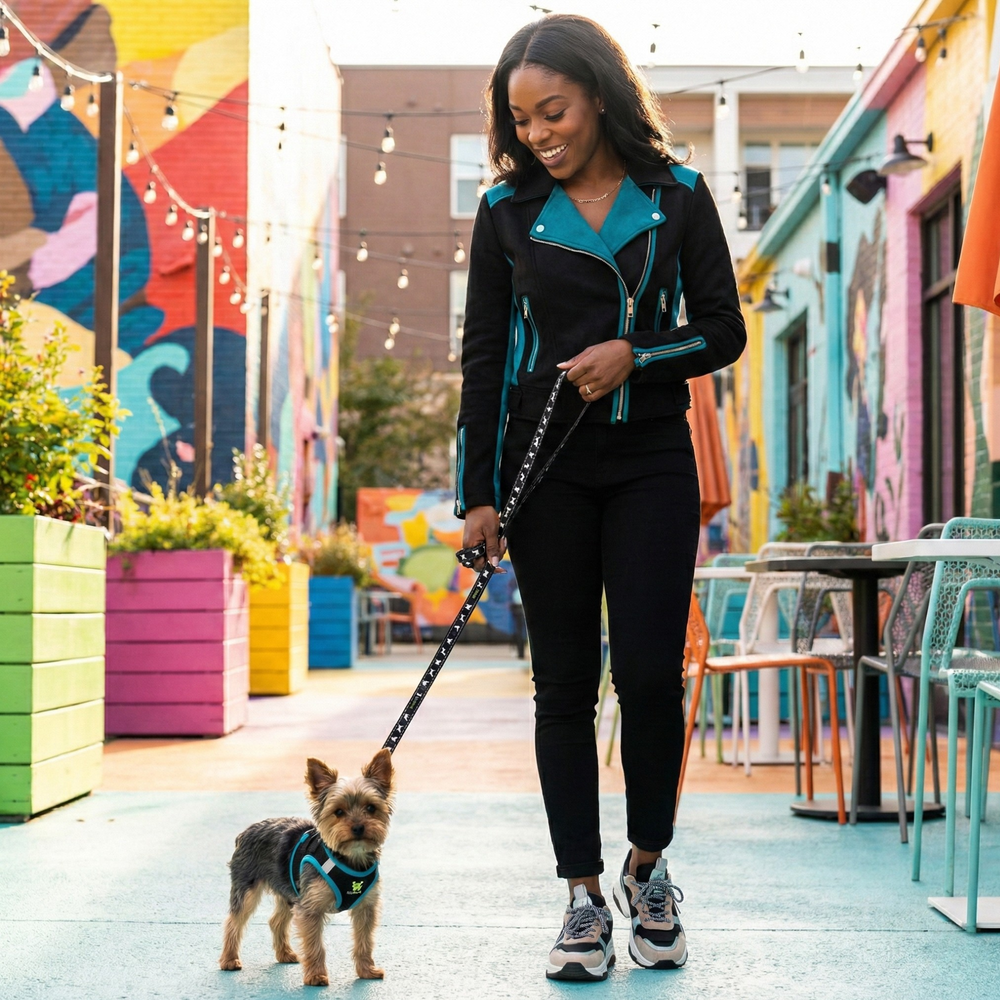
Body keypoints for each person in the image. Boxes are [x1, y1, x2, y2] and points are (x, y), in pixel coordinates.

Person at [456, 14, 746, 982]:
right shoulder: (505, 211)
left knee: (653, 677)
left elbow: (723, 329)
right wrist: (478, 495)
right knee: (564, 685)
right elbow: (484, 357)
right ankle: (581, 896)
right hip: (545, 471)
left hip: (652, 458)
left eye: (555, 111)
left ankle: (648, 871)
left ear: (599, 94)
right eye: (522, 119)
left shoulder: (678, 194)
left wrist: (638, 353)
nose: (539, 133)